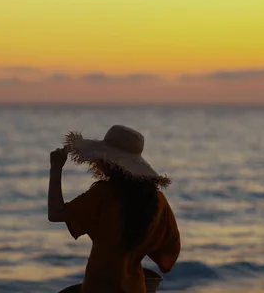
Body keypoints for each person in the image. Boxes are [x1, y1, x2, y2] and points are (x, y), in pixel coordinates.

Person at [48, 125, 181, 293]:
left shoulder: (104, 193)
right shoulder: (157, 200)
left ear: (111, 162)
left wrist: (56, 167)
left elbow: (55, 213)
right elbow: (170, 250)